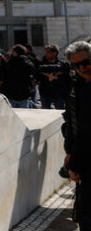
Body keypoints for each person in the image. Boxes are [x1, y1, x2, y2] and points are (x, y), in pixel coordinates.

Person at [64, 41, 91, 231]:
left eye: (86, 62)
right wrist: (70, 154)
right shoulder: (79, 85)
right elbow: (74, 125)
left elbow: (87, 131)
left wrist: (75, 163)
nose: (82, 68)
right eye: (76, 65)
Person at [38, 44, 71, 110]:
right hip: (45, 92)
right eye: (46, 52)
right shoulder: (41, 64)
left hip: (57, 93)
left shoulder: (62, 65)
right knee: (45, 113)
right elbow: (37, 75)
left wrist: (56, 78)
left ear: (55, 53)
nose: (46, 54)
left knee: (60, 112)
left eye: (48, 52)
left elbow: (66, 78)